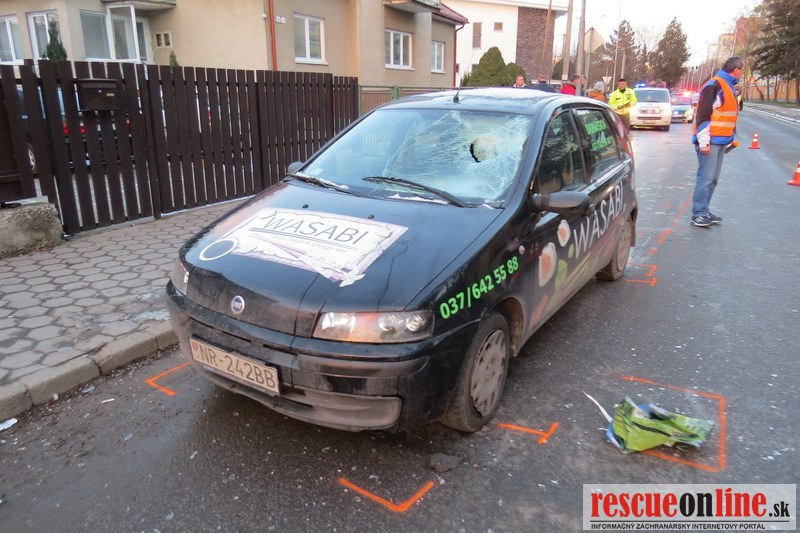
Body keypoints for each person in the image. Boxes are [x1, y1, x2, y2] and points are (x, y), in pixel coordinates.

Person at [690, 56, 744, 228]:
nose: (741, 74)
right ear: (736, 70)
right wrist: (704, 142)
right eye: (741, 71)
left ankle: (704, 210)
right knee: (706, 178)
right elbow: (703, 115)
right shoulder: (715, 85)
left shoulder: (726, 86)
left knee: (712, 179)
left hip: (719, 141)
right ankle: (698, 214)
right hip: (710, 141)